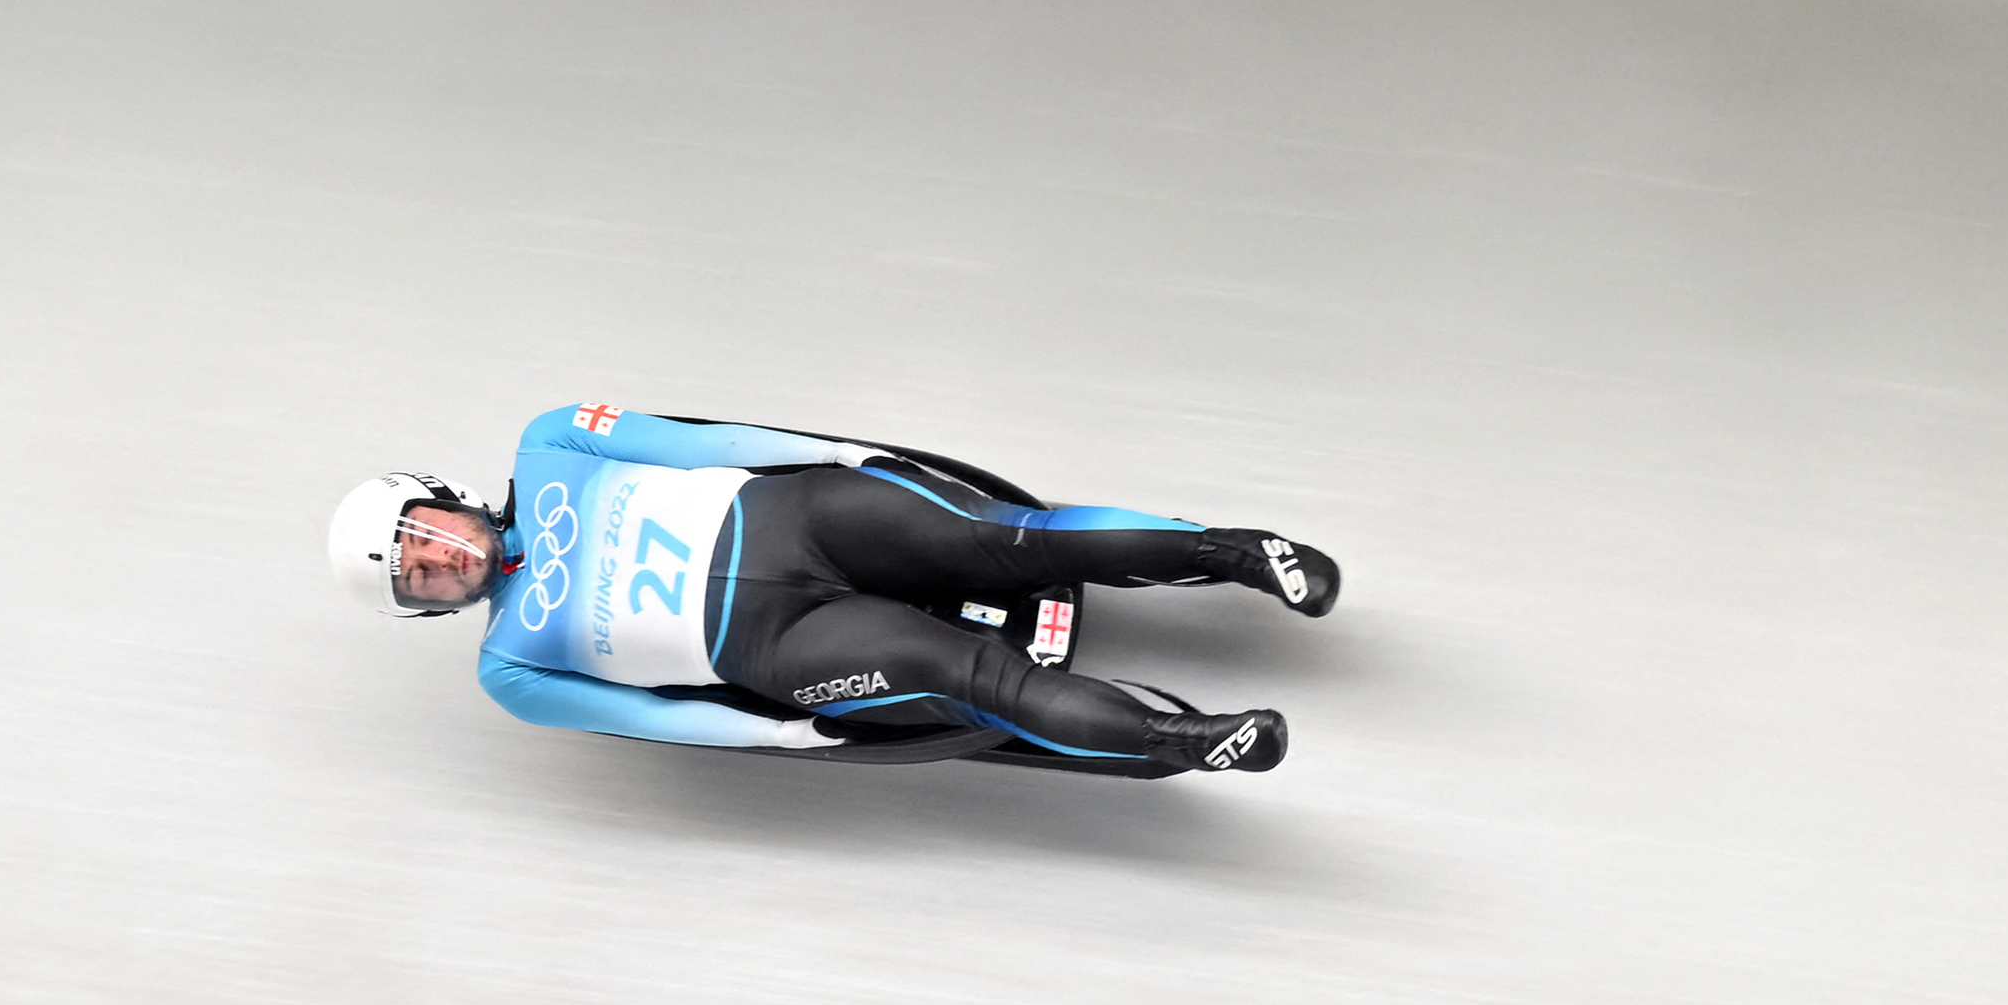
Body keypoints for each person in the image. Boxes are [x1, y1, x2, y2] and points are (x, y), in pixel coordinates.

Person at [325, 405, 1340, 774]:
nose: (440, 560)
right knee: (973, 678)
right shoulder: (510, 668)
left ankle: (1243, 552)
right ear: (427, 607)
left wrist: (836, 452)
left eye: (425, 536)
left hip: (801, 515)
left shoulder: (553, 442)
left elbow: (700, 440)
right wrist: (776, 736)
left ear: (446, 500)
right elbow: (653, 720)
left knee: (1008, 538)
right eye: (418, 577)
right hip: (779, 639)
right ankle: (1190, 740)